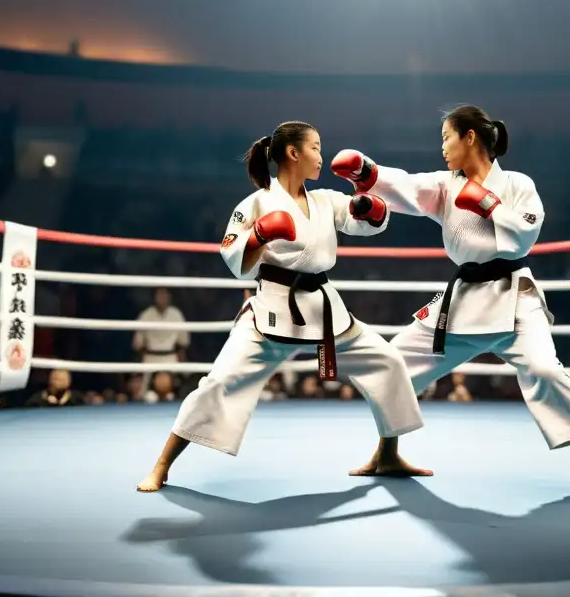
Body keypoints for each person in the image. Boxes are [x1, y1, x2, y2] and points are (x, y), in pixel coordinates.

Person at [331, 105, 570, 496]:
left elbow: (527, 233)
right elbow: (408, 186)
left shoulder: (517, 184)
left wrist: (488, 204)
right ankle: (387, 453)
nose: (441, 147)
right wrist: (367, 173)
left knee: (546, 371)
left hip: (515, 297)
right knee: (391, 367)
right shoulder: (446, 185)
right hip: (462, 300)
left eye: (446, 137)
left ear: (470, 137)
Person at [137, 121, 423, 492]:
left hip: (324, 309)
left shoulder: (325, 200)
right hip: (271, 310)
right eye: (316, 148)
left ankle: (387, 453)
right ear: (294, 153)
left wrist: (372, 209)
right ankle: (162, 464)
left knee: (386, 361)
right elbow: (233, 256)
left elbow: (364, 222)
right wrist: (258, 235)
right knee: (219, 381)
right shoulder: (256, 203)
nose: (322, 156)